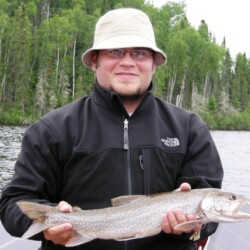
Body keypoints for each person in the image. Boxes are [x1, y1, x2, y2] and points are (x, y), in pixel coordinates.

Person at [0, 8, 223, 250]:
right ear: (94, 61)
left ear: (154, 64)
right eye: (115, 52)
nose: (127, 62)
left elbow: (212, 215)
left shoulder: (189, 128)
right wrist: (51, 227)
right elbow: (13, 204)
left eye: (139, 53)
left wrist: (193, 225)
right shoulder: (51, 129)